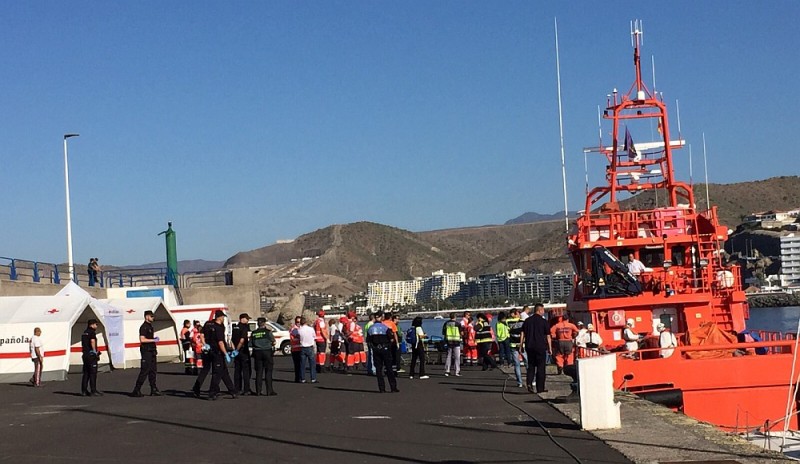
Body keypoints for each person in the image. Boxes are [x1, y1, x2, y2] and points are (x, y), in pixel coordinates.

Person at [520, 303, 551, 393]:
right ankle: (540, 388)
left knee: (531, 366)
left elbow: (522, 333)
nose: (543, 312)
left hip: (530, 346)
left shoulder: (527, 321)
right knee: (541, 368)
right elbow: (548, 336)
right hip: (540, 346)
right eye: (543, 310)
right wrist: (550, 348)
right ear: (540, 310)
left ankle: (529, 384)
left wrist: (521, 345)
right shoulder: (544, 322)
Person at [366, 311, 399, 393]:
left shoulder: (371, 328)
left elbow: (368, 341)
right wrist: (388, 346)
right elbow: (391, 338)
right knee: (389, 368)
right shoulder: (385, 327)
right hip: (385, 348)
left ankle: (382, 388)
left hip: (376, 349)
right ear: (381, 317)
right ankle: (393, 387)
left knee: (379, 369)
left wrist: (374, 347)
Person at [208, 310, 237, 400]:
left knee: (224, 373)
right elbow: (220, 342)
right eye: (223, 317)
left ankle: (232, 391)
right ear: (219, 317)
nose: (223, 318)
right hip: (217, 353)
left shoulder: (211, 326)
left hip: (214, 351)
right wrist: (226, 353)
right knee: (217, 374)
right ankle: (212, 393)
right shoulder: (218, 328)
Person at [131, 310, 161, 397]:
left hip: (152, 350)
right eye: (151, 316)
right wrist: (153, 340)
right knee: (145, 371)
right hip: (146, 351)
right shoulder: (143, 327)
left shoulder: (150, 327)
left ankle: (153, 389)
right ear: (147, 317)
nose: (153, 318)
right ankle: (136, 390)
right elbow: (142, 339)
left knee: (153, 370)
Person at [250, 317, 277, 396]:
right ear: (264, 323)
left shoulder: (254, 333)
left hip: (257, 353)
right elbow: (273, 342)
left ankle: (258, 391)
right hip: (267, 352)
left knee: (259, 372)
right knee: (268, 372)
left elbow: (250, 344)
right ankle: (269, 391)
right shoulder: (268, 332)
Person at [191, 319, 215, 398]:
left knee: (205, 368)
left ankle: (197, 387)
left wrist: (204, 344)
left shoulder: (204, 328)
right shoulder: (214, 327)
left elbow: (199, 337)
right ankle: (213, 390)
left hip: (203, 349)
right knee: (218, 370)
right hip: (210, 349)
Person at [231, 313, 253, 395]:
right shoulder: (244, 328)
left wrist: (234, 350)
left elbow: (231, 341)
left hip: (236, 352)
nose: (248, 321)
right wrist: (237, 349)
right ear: (242, 319)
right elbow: (242, 340)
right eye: (247, 319)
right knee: (246, 371)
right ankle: (246, 389)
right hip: (243, 351)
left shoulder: (235, 328)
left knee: (237, 370)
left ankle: (237, 388)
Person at [80, 319, 102, 396]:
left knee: (86, 373)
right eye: (96, 324)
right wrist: (95, 352)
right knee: (93, 373)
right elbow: (92, 341)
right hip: (91, 355)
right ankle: (93, 390)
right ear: (92, 325)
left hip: (85, 354)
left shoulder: (84, 333)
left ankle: (84, 390)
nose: (96, 326)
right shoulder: (92, 333)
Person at [506, 308, 525, 387]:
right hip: (522, 344)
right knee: (527, 362)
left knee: (516, 364)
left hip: (513, 344)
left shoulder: (508, 322)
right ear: (517, 313)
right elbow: (523, 333)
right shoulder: (523, 322)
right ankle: (532, 380)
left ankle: (519, 382)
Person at [441, 312, 463, 377]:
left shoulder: (446, 323)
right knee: (457, 357)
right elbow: (461, 333)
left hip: (449, 341)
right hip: (456, 341)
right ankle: (457, 371)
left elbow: (443, 332)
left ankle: (447, 371)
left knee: (448, 356)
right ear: (455, 317)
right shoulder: (458, 324)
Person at [297, 317, 317, 383]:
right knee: (312, 364)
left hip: (303, 347)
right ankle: (313, 378)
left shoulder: (299, 330)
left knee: (302, 364)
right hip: (310, 346)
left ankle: (303, 378)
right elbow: (314, 336)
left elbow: (298, 337)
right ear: (306, 322)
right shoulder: (311, 329)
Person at [289, 316, 303, 382]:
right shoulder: (294, 329)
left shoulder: (301, 328)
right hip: (295, 349)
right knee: (297, 365)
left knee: (301, 364)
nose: (299, 323)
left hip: (300, 348)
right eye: (297, 322)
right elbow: (298, 336)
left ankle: (301, 377)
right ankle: (297, 378)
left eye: (300, 322)